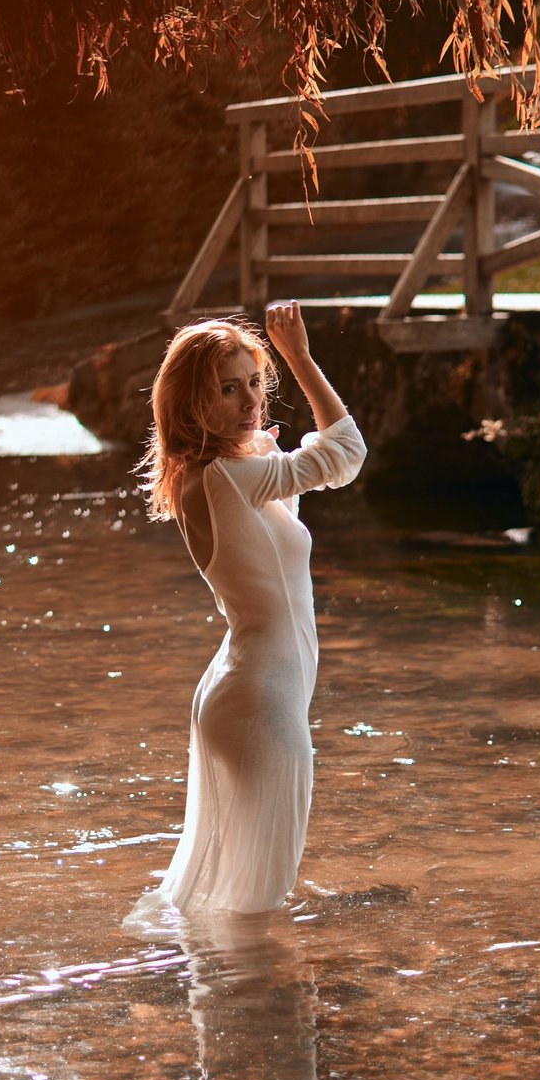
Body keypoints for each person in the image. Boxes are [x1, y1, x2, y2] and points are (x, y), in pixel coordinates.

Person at [129, 300, 367, 922]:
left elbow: (274, 554)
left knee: (240, 901)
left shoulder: (217, 474)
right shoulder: (230, 478)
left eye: (257, 383)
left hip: (247, 690)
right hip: (261, 703)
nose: (250, 399)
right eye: (228, 390)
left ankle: (225, 1000)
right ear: (191, 405)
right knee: (257, 907)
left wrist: (260, 448)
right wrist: (301, 357)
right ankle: (254, 1006)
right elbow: (346, 453)